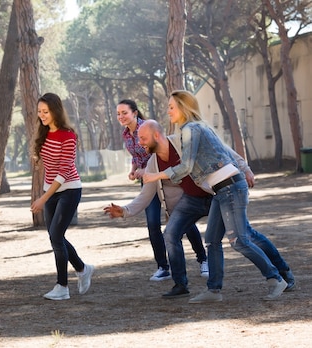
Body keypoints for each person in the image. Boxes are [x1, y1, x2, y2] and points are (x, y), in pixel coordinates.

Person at [143, 90, 295, 303]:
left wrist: (155, 176)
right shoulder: (199, 127)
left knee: (239, 241)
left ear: (184, 108)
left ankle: (276, 278)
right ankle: (214, 291)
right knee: (212, 240)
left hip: (230, 188)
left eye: (171, 107)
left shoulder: (190, 129)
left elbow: (186, 166)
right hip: (222, 190)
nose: (167, 111)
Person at [106, 120, 244, 298]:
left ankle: (281, 273)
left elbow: (224, 150)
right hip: (192, 200)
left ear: (156, 135)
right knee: (170, 234)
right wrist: (124, 211)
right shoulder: (153, 164)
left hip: (214, 194)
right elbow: (145, 195)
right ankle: (180, 284)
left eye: (143, 138)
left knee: (243, 236)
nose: (139, 143)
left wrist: (245, 169)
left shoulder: (181, 142)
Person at [117, 99, 208, 281]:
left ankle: (203, 259)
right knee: (152, 223)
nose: (121, 117)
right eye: (118, 114)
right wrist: (134, 170)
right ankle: (163, 267)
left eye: (124, 113)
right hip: (149, 181)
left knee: (184, 221)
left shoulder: (148, 128)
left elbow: (159, 152)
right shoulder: (126, 135)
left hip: (167, 180)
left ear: (135, 113)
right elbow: (136, 156)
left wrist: (148, 170)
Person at [31, 92, 94, 301]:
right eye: (40, 111)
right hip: (51, 190)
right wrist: (46, 193)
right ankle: (83, 269)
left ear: (55, 111)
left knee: (56, 236)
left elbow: (64, 171)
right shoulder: (44, 133)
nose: (42, 115)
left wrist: (43, 198)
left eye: (45, 111)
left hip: (69, 189)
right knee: (55, 236)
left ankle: (62, 286)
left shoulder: (68, 135)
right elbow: (48, 169)